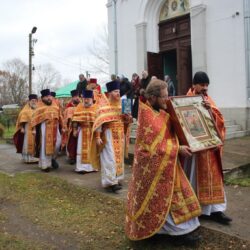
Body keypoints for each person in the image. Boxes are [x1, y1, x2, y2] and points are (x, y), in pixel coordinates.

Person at [125, 79, 202, 245]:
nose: (167, 100)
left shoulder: (162, 111)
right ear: (152, 98)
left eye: (168, 96)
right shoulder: (147, 116)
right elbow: (150, 148)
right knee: (162, 200)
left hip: (168, 164)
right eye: (164, 97)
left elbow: (173, 132)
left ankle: (179, 230)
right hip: (154, 170)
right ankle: (175, 234)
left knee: (175, 196)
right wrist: (177, 149)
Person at [185, 71, 232, 225]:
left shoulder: (208, 100)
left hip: (210, 149)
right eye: (202, 85)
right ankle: (197, 208)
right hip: (196, 150)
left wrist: (209, 110)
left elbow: (219, 120)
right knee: (195, 177)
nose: (205, 88)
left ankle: (216, 211)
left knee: (213, 178)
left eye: (207, 85)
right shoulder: (185, 100)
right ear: (194, 85)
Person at [93, 80, 132, 193]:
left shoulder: (123, 105)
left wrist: (128, 117)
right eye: (115, 91)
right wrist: (97, 137)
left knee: (118, 159)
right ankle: (110, 182)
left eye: (119, 91)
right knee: (109, 159)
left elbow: (128, 122)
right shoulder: (103, 107)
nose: (118, 93)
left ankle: (116, 179)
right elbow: (99, 123)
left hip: (119, 136)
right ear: (109, 93)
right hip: (108, 135)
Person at [31, 89, 62, 172]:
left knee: (57, 144)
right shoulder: (39, 106)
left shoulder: (55, 105)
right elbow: (33, 118)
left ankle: (52, 159)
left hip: (55, 128)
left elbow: (60, 116)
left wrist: (64, 127)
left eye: (50, 96)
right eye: (47, 97)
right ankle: (45, 165)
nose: (49, 98)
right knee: (45, 146)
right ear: (43, 98)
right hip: (44, 129)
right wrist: (33, 129)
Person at [68, 90, 99, 173]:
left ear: (92, 99)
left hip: (93, 132)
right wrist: (74, 130)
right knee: (81, 149)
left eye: (88, 99)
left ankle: (92, 167)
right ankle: (81, 168)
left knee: (92, 150)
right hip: (82, 131)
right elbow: (75, 120)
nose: (86, 100)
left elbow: (99, 121)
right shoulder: (79, 107)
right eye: (84, 98)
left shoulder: (96, 108)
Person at [13, 94, 39, 163]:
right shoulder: (25, 110)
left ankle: (32, 157)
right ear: (29, 101)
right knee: (26, 143)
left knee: (35, 143)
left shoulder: (37, 109)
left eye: (35, 101)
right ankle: (27, 158)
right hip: (27, 128)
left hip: (35, 129)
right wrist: (22, 128)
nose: (34, 102)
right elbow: (21, 119)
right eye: (32, 100)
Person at [62, 89, 80, 159]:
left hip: (80, 126)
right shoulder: (69, 106)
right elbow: (65, 117)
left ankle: (78, 157)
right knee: (71, 142)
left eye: (78, 96)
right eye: (75, 97)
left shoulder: (81, 105)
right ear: (72, 98)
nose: (77, 98)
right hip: (71, 127)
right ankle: (71, 157)